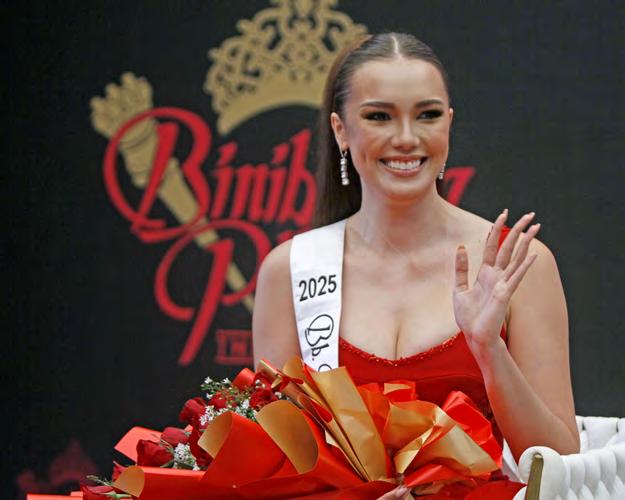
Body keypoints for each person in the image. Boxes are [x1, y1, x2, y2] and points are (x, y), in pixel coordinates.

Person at [252, 33, 579, 498]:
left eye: (427, 115)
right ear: (341, 130)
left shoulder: (518, 263)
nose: (406, 139)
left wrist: (489, 351)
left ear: (449, 124)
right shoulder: (290, 270)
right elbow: (275, 462)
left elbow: (559, 463)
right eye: (379, 116)